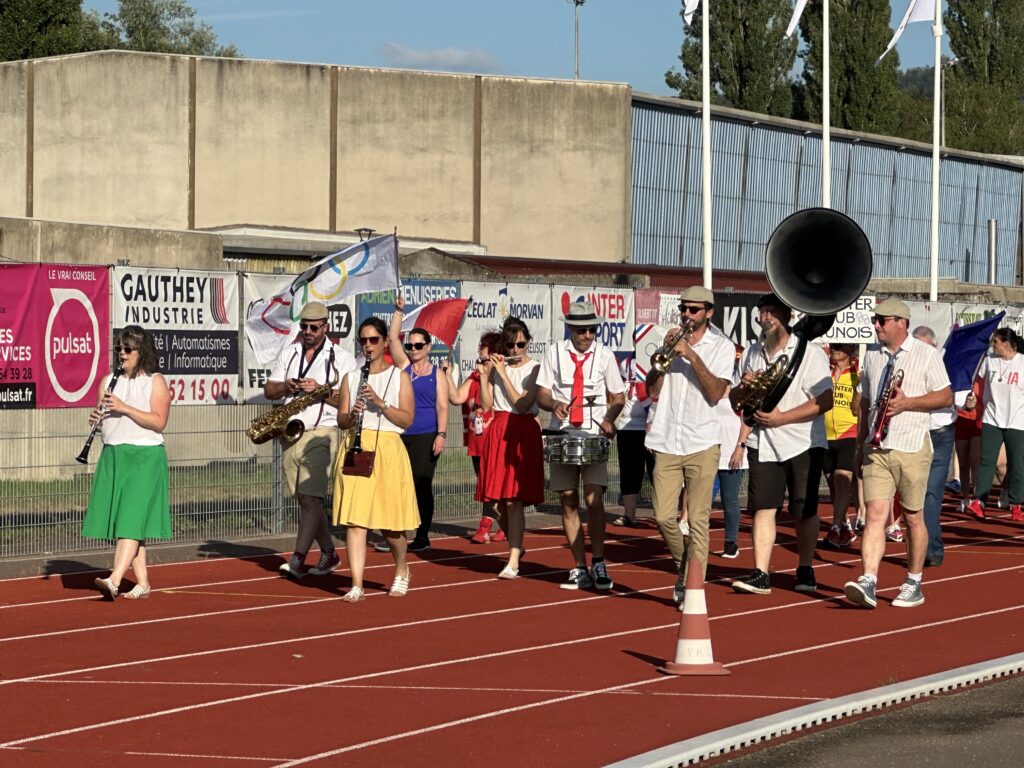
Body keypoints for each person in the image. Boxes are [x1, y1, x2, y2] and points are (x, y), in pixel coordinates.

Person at [845, 298, 952, 609]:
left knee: (912, 517)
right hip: (877, 447)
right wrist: (861, 441)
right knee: (875, 515)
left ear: (901, 323)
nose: (876, 325)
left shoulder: (926, 354)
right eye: (875, 320)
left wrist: (908, 403)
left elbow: (945, 396)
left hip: (911, 444)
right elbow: (865, 403)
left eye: (883, 320)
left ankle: (913, 581)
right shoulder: (873, 356)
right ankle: (869, 579)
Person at [730, 293, 832, 596]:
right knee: (763, 507)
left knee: (803, 510)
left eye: (772, 312)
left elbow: (824, 400)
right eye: (762, 312)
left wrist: (783, 417)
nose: (766, 317)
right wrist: (744, 387)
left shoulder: (809, 353)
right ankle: (760, 572)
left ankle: (805, 566)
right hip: (763, 441)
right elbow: (736, 401)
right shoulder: (751, 352)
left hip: (803, 442)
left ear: (786, 316)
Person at [644, 286, 734, 604]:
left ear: (709, 312)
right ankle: (686, 567)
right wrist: (663, 358)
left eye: (694, 310)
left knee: (697, 520)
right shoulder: (669, 340)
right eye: (684, 308)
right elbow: (651, 390)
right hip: (667, 438)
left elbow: (715, 392)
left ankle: (692, 585)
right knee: (663, 516)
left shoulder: (721, 346)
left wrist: (691, 356)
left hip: (702, 440)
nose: (686, 315)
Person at [537, 300, 626, 590]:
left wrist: (610, 419)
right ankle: (578, 566)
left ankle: (598, 560)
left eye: (592, 330)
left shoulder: (605, 355)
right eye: (582, 330)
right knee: (567, 499)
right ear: (571, 329)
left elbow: (618, 396)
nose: (588, 335)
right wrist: (555, 404)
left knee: (594, 500)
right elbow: (541, 394)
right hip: (562, 433)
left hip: (594, 434)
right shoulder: (554, 353)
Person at [265, 302, 356, 580]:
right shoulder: (290, 352)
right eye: (303, 326)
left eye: (313, 327)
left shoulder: (341, 358)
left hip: (322, 431)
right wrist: (287, 386)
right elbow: (269, 389)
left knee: (310, 496)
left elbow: (348, 400)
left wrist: (319, 391)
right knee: (307, 501)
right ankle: (329, 551)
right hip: (291, 432)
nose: (307, 331)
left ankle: (297, 558)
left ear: (325, 328)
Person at [333, 317, 419, 601]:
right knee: (356, 521)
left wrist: (380, 403)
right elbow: (342, 420)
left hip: (388, 449)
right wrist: (354, 412)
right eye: (363, 340)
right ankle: (357, 583)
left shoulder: (400, 376)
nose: (367, 346)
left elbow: (407, 419)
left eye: (373, 340)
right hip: (358, 448)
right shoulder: (351, 377)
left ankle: (402, 568)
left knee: (391, 525)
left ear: (384, 343)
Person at [84, 325, 172, 600]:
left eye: (127, 349)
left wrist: (124, 408)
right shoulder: (109, 380)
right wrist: (97, 420)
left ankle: (115, 578)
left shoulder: (155, 380)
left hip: (144, 456)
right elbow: (108, 421)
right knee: (129, 522)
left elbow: (159, 421)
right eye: (118, 348)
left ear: (141, 351)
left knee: (130, 520)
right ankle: (143, 582)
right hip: (115, 455)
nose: (121, 353)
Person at [476, 316, 544, 578]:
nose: (516, 350)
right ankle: (517, 544)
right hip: (500, 429)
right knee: (494, 501)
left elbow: (523, 403)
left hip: (522, 429)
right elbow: (486, 404)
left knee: (514, 499)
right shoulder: (498, 366)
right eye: (510, 345)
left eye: (521, 344)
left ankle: (513, 558)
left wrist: (503, 372)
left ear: (528, 342)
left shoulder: (536, 368)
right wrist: (485, 377)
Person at [389, 296, 449, 552]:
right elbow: (392, 340)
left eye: (418, 345)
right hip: (402, 433)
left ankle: (422, 535)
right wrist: (398, 312)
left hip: (426, 435)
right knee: (398, 484)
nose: (413, 349)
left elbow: (442, 406)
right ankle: (397, 534)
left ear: (428, 346)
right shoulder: (404, 368)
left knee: (421, 484)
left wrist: (441, 435)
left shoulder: (438, 374)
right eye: (410, 345)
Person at [445, 331, 505, 544]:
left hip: (495, 440)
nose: (480, 353)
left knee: (491, 485)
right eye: (480, 350)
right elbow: (456, 397)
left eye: (484, 350)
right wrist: (448, 376)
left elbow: (488, 404)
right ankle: (505, 522)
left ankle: (485, 527)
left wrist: (486, 374)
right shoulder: (474, 376)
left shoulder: (499, 377)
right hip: (476, 440)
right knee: (484, 484)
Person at [965, 327, 1024, 523]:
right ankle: (979, 501)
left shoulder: (1022, 363)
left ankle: (1016, 503)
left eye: (996, 342)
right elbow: (974, 379)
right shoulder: (989, 361)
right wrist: (971, 397)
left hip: (1017, 420)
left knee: (1017, 464)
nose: (993, 346)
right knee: (986, 461)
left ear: (1005, 344)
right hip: (992, 417)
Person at [912, 325, 958, 567]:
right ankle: (921, 544)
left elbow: (955, 397)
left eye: (925, 346)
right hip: (915, 431)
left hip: (940, 433)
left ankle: (932, 548)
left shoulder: (947, 364)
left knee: (930, 493)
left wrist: (967, 400)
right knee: (913, 494)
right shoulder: (908, 362)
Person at [821, 343, 860, 550]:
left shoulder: (857, 374)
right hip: (825, 435)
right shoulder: (824, 372)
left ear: (850, 350)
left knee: (842, 479)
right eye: (834, 345)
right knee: (833, 485)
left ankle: (835, 527)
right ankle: (844, 524)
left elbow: (858, 406)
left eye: (840, 346)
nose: (835, 349)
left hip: (849, 433)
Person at [613, 349, 654, 527]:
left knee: (658, 472)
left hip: (653, 425)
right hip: (628, 426)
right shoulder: (626, 363)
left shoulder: (657, 361)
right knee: (629, 472)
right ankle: (629, 514)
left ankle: (664, 515)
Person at [717, 342, 748, 560]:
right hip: (708, 449)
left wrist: (740, 447)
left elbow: (749, 419)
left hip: (731, 450)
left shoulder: (743, 388)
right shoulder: (713, 383)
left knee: (730, 500)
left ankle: (730, 542)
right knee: (697, 500)